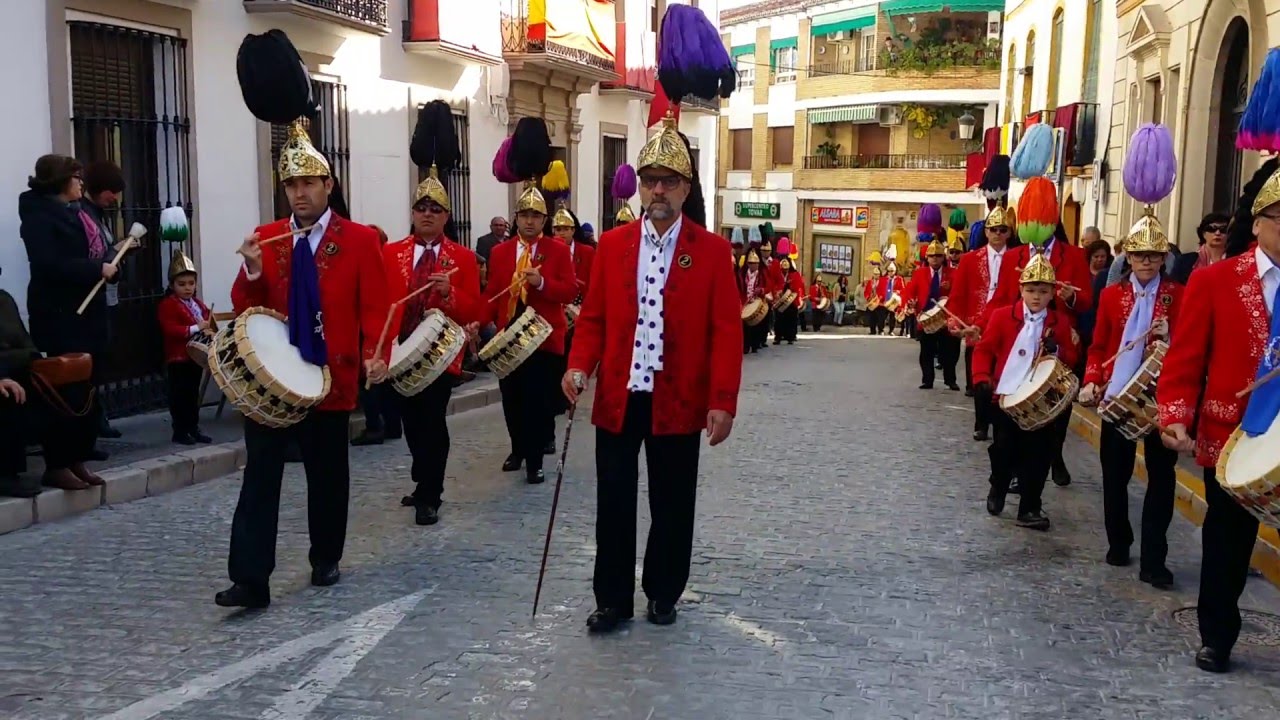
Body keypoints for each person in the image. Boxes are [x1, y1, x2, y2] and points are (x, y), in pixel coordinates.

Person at [563, 106, 742, 635]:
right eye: (650, 181)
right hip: (621, 393)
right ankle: (612, 599)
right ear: (638, 187)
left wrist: (722, 400)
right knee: (613, 500)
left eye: (668, 181)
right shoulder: (614, 246)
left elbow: (727, 334)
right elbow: (593, 317)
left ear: (686, 188)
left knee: (672, 502)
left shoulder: (710, 252)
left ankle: (664, 591)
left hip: (678, 397)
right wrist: (577, 367)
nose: (657, 190)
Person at [217, 120, 390, 609]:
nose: (299, 193)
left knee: (328, 474)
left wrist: (378, 353)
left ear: (328, 185)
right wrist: (252, 270)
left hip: (330, 375)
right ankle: (251, 579)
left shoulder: (358, 240)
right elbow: (243, 301)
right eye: (291, 184)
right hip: (273, 380)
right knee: (260, 477)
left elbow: (376, 305)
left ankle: (325, 555)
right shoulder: (267, 238)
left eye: (308, 182)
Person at [1157, 158, 1280, 673]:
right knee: (1227, 544)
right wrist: (1175, 413)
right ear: (1257, 222)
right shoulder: (1216, 281)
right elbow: (1186, 357)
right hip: (1233, 436)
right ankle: (1217, 635)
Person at [1079, 215, 1181, 587]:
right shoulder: (1110, 295)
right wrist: (1092, 379)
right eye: (1140, 255)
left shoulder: (1179, 295)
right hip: (1118, 394)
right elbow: (1099, 346)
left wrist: (1174, 335)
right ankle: (1118, 541)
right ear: (1128, 257)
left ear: (1163, 258)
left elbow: (1189, 348)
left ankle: (1155, 557)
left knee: (1162, 478)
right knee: (1115, 475)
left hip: (1160, 398)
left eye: (1154, 255)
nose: (1147, 262)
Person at [384, 165, 482, 526]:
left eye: (435, 209)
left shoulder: (463, 258)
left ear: (446, 216)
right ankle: (422, 476)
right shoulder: (390, 253)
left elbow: (476, 308)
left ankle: (431, 494)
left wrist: (449, 293)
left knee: (433, 421)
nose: (427, 214)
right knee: (411, 422)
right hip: (400, 352)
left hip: (440, 356)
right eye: (421, 208)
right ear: (412, 214)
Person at [482, 164, 577, 484]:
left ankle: (535, 459)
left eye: (536, 216)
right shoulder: (499, 252)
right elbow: (493, 293)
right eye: (524, 215)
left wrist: (541, 283)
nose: (529, 220)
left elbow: (570, 290)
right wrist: (479, 324)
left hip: (543, 337)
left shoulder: (558, 251)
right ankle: (518, 448)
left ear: (544, 221)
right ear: (516, 218)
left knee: (537, 402)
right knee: (511, 398)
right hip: (510, 336)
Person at [973, 254, 1079, 530]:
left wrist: (1059, 350)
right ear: (1021, 289)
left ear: (1052, 293)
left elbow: (1073, 356)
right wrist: (982, 377)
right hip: (1006, 397)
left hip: (1041, 400)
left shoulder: (1060, 322)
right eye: (1031, 291)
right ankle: (998, 486)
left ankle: (1030, 506)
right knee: (1004, 449)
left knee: (1039, 454)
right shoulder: (1001, 316)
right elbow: (984, 349)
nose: (1036, 297)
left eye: (1043, 292)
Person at [17, 154, 107, 470]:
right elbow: (49, 265)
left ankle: (78, 457)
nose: (82, 183)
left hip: (87, 311)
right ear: (59, 182)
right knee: (65, 389)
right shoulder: (39, 216)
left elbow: (96, 252)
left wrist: (111, 265)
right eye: (76, 178)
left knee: (85, 387)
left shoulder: (80, 212)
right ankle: (58, 463)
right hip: (59, 313)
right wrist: (97, 268)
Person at [949, 206, 1013, 440]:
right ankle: (981, 423)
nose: (997, 233)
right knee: (979, 379)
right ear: (986, 232)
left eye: (1002, 229)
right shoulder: (969, 260)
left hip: (1005, 326)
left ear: (1009, 232)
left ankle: (999, 423)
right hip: (974, 325)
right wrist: (954, 320)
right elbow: (958, 295)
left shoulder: (1017, 259)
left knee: (1001, 377)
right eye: (993, 229)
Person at [79, 161, 127, 441]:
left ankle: (99, 417)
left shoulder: (98, 214)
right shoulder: (85, 214)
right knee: (93, 366)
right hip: (94, 298)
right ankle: (95, 421)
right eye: (111, 191)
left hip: (106, 296)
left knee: (102, 363)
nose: (115, 198)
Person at [351, 224, 403, 446]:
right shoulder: (391, 261)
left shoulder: (376, 263)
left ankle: (374, 427)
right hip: (389, 328)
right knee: (387, 381)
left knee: (369, 379)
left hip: (374, 328)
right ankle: (392, 425)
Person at [156, 250, 213, 445]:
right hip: (178, 357)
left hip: (194, 357)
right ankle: (180, 430)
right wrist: (197, 327)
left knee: (192, 394)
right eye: (182, 284)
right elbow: (170, 329)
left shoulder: (197, 303)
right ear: (172, 285)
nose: (187, 288)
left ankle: (193, 427)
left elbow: (207, 320)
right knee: (179, 395)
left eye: (191, 283)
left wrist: (209, 329)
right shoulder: (167, 305)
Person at [908, 240, 959, 390]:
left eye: (938, 255)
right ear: (927, 258)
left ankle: (950, 380)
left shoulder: (953, 274)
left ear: (943, 257)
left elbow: (959, 294)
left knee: (949, 352)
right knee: (926, 352)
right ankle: (927, 380)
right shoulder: (919, 274)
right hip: (926, 318)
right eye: (932, 256)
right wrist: (910, 302)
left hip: (945, 319)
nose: (935, 259)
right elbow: (911, 291)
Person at [1171, 212, 1230, 285]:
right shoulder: (1185, 261)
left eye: (1223, 230)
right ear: (1203, 233)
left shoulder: (1236, 260)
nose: (1217, 233)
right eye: (1211, 229)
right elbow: (1174, 288)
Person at [739, 248, 768, 352]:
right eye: (750, 263)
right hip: (745, 302)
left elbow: (767, 287)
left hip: (757, 301)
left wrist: (761, 290)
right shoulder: (742, 274)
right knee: (745, 326)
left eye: (755, 263)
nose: (753, 265)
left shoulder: (761, 274)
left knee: (756, 325)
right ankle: (745, 346)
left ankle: (755, 345)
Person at [773, 257, 804, 344]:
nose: (785, 269)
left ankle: (790, 337)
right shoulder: (778, 274)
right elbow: (774, 284)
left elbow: (798, 285)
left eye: (786, 267)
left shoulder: (795, 274)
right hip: (780, 300)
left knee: (791, 319)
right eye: (783, 267)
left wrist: (789, 286)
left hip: (791, 300)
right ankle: (778, 337)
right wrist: (777, 292)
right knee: (779, 320)